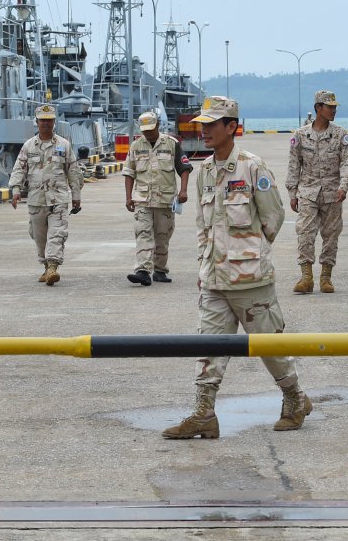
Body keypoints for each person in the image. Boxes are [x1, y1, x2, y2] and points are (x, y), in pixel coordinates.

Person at [162, 95, 311, 440]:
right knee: (208, 348)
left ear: (232, 127)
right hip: (214, 280)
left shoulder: (252, 167)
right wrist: (205, 266)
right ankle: (203, 414)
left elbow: (273, 217)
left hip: (251, 281)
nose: (204, 131)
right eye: (202, 125)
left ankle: (294, 399)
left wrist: (249, 254)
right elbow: (203, 226)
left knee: (269, 347)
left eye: (212, 124)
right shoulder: (204, 172)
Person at [286, 89, 348, 294]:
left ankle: (326, 277)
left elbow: (347, 164)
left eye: (335, 107)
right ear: (318, 108)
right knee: (305, 232)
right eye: (329, 107)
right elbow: (293, 165)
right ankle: (306, 277)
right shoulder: (300, 135)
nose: (333, 110)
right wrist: (292, 193)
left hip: (333, 193)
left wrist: (344, 186)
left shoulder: (341, 135)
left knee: (331, 235)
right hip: (307, 192)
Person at [9, 104, 83, 286]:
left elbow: (73, 171)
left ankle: (52, 267)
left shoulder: (63, 145)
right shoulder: (28, 146)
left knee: (57, 234)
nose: (46, 124)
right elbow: (19, 169)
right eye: (43, 120)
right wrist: (16, 190)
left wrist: (76, 195)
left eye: (49, 121)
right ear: (37, 122)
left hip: (58, 199)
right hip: (36, 200)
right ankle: (45, 265)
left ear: (54, 122)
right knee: (39, 236)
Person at [123, 111, 193, 286]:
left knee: (162, 236)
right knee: (143, 233)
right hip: (142, 199)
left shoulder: (171, 144)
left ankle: (160, 270)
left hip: (165, 199)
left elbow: (184, 167)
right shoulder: (136, 146)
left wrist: (183, 190)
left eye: (150, 129)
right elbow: (129, 172)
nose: (147, 133)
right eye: (144, 130)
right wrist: (128, 197)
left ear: (158, 125)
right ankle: (142, 271)